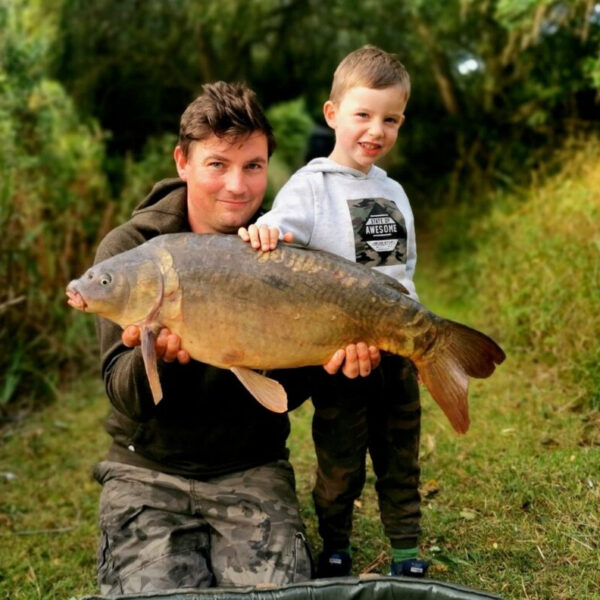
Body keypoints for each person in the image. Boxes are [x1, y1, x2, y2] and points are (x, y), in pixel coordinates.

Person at [92, 80, 378, 594]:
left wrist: (337, 361)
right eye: (217, 165)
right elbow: (121, 391)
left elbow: (287, 398)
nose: (238, 187)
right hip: (147, 468)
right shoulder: (131, 252)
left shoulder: (282, 250)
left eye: (253, 166)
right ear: (183, 162)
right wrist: (154, 354)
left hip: (251, 465)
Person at [239, 45, 428, 578]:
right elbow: (276, 233)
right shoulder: (311, 185)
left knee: (400, 457)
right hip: (339, 355)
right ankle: (336, 546)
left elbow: (402, 271)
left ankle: (408, 552)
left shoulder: (393, 191)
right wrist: (264, 230)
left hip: (395, 350)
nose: (375, 130)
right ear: (333, 115)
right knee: (339, 461)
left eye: (389, 119)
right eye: (362, 115)